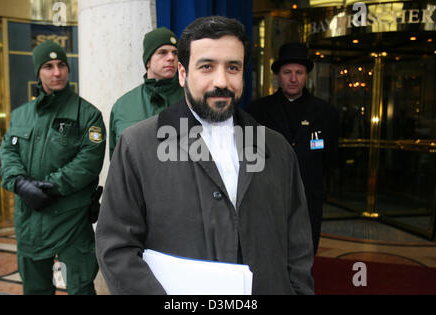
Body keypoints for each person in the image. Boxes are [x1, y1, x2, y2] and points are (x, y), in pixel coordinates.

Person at [96, 16, 314, 295]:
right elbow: (115, 248)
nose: (221, 81)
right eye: (207, 66)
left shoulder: (277, 148)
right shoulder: (137, 146)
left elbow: (298, 241)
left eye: (232, 67)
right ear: (183, 73)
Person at [0, 40, 106, 295]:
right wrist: (20, 183)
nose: (57, 72)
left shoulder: (87, 114)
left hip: (71, 221)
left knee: (80, 287)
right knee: (35, 289)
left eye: (61, 65)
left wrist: (53, 186)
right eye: (48, 66)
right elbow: (8, 152)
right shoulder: (21, 115)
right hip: (30, 222)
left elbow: (89, 160)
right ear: (38, 71)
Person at [247, 43, 339, 255]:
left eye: (299, 72)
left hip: (309, 197)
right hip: (268, 196)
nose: (293, 78)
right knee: (270, 252)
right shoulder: (257, 111)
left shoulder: (326, 113)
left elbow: (330, 158)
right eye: (287, 72)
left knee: (305, 250)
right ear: (278, 76)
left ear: (307, 75)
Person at [109, 27, 184, 158]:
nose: (171, 57)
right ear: (148, 61)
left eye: (175, 53)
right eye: (162, 52)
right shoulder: (123, 106)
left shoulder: (192, 99)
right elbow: (116, 161)